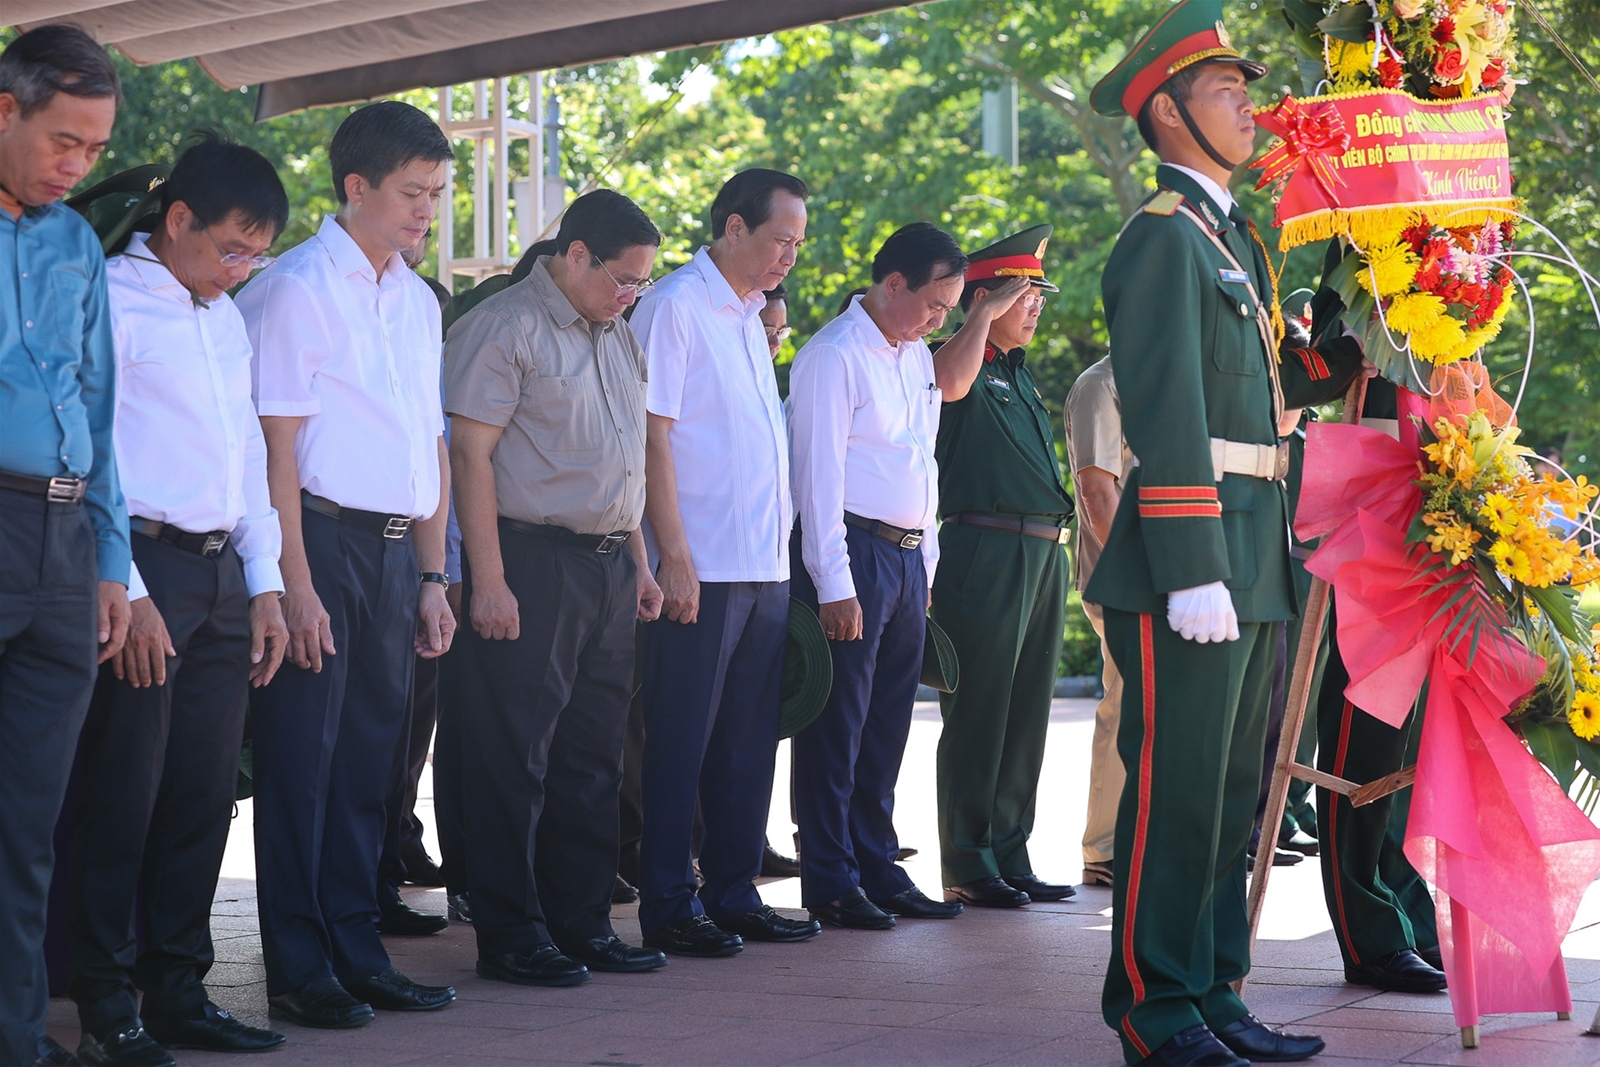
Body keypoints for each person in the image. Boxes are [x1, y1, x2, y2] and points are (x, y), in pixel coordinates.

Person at [1085, 2, 1372, 1062]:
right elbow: (1166, 411)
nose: (1249, 107)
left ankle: (1213, 991)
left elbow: (1276, 383)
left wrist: (1366, 309)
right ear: (1167, 112)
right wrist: (1192, 564)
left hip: (1254, 546)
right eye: (1223, 91)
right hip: (1193, 554)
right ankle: (1155, 1009)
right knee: (1175, 793)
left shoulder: (1232, 237)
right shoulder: (1161, 239)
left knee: (1229, 798)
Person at [63, 135, 292, 1067]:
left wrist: (267, 582)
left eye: (257, 257)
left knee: (202, 792)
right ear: (179, 217)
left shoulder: (223, 316)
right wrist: (130, 585)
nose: (240, 270)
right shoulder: (111, 299)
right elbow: (90, 451)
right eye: (233, 248)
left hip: (223, 573)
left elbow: (247, 452)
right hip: (139, 568)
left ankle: (179, 988)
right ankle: (103, 1001)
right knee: (125, 791)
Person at [236, 100, 458, 1030]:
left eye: (438, 193)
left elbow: (430, 443)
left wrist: (435, 575)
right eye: (413, 192)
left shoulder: (418, 299)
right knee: (303, 763)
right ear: (356, 187)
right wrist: (293, 582)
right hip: (317, 541)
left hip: (396, 551)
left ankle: (357, 949)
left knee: (372, 762)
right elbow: (274, 451)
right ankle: (298, 963)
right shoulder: (295, 288)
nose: (427, 211)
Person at [447, 189, 667, 987]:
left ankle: (582, 921)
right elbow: (468, 455)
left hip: (609, 565)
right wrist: (488, 579)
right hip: (530, 560)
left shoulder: (618, 334)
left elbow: (627, 460)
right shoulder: (505, 326)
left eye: (642, 282)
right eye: (623, 278)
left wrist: (640, 562)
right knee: (515, 755)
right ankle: (511, 931)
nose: (631, 295)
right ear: (576, 254)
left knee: (592, 756)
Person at [631, 169, 820, 958]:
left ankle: (734, 891)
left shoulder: (748, 316)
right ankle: (669, 900)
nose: (789, 257)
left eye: (798, 244)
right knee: (682, 741)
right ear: (734, 228)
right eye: (781, 239)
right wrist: (672, 554)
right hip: (700, 564)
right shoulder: (675, 305)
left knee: (746, 743)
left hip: (762, 566)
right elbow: (652, 436)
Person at [788, 222, 990, 930]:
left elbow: (922, 464)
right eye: (934, 305)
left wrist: (925, 563)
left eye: (949, 310)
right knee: (837, 724)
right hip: (853, 552)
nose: (938, 321)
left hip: (905, 559)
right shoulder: (833, 355)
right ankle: (830, 875)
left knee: (886, 725)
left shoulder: (912, 358)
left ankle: (877, 863)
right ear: (894, 282)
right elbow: (816, 478)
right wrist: (833, 582)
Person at [0, 26, 130, 1067]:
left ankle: (16, 1038)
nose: (78, 164)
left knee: (29, 825)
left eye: (95, 148)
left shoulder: (77, 243)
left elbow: (99, 407)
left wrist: (109, 561)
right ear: (6, 110)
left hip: (63, 538)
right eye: (64, 140)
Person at [930, 225, 1076, 909]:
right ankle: (968, 858)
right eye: (1024, 294)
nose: (1036, 305)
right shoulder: (955, 357)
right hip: (984, 549)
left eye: (1039, 294)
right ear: (984, 298)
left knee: (1024, 715)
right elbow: (947, 383)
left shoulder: (1017, 372)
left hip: (1042, 550)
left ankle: (1010, 851)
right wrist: (981, 316)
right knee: (980, 710)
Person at [1063, 355, 1133, 891]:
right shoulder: (1100, 384)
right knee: (1125, 704)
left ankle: (1137, 838)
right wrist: (1136, 575)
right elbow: (1097, 492)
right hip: (1124, 576)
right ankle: (1105, 848)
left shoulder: (1169, 372)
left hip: (1169, 577)